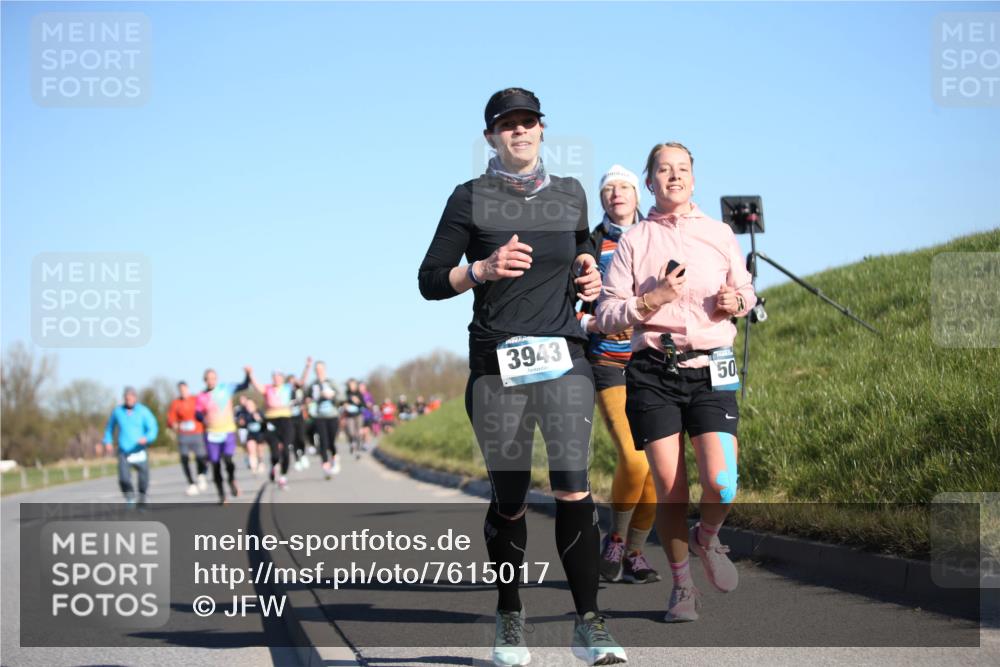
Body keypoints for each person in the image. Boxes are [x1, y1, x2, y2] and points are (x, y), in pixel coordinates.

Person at [418, 87, 626, 666]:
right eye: (506, 125)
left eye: (527, 122)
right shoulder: (469, 198)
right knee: (510, 496)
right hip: (497, 363)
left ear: (542, 129)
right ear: (490, 137)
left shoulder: (569, 193)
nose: (519, 132)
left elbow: (581, 247)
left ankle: (589, 624)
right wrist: (480, 269)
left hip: (565, 356)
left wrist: (586, 267)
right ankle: (510, 614)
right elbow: (430, 278)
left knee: (572, 484)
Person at [595, 142, 756, 622]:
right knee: (670, 488)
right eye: (663, 170)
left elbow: (746, 289)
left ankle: (709, 537)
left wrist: (736, 301)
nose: (674, 176)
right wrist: (652, 300)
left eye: (682, 168)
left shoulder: (720, 233)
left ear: (693, 178)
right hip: (653, 370)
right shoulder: (633, 242)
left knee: (721, 485)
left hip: (712, 365)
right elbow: (606, 312)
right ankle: (683, 586)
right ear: (650, 183)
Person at [576, 165, 660, 585]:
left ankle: (635, 554)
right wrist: (594, 324)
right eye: (608, 189)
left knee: (653, 469)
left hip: (655, 363)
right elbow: (569, 304)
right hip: (608, 362)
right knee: (632, 456)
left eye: (624, 187)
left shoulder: (657, 235)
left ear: (637, 194)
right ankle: (615, 540)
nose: (616, 194)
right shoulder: (590, 245)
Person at [249, 358, 310, 489]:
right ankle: (274, 465)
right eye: (274, 377)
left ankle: (283, 476)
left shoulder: (288, 387)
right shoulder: (268, 389)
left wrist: (307, 367)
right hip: (271, 421)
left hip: (286, 420)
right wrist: (251, 374)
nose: (276, 379)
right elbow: (256, 385)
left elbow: (302, 381)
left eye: (279, 377)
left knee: (287, 450)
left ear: (283, 378)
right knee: (275, 451)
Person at [195, 368, 250, 504]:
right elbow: (197, 413)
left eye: (213, 378)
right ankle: (222, 495)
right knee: (215, 465)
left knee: (228, 460)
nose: (211, 381)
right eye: (208, 379)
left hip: (227, 431)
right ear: (205, 380)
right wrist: (203, 419)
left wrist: (248, 375)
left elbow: (244, 385)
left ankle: (231, 479)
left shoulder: (226, 388)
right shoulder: (201, 396)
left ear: (217, 379)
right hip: (212, 434)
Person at [103, 386, 158, 508]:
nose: (129, 400)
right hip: (124, 451)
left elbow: (153, 427)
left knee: (144, 477)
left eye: (131, 398)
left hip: (139, 450)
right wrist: (108, 441)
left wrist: (147, 438)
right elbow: (109, 428)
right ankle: (130, 497)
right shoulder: (118, 412)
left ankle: (142, 496)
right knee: (123, 478)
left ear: (135, 398)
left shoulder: (143, 411)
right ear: (124, 398)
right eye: (127, 398)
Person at [167, 381, 208, 496]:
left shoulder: (195, 400)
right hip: (183, 435)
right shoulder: (175, 403)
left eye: (184, 389)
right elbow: (170, 418)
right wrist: (173, 424)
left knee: (201, 457)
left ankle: (201, 475)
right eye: (181, 390)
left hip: (197, 433)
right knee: (184, 459)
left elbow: (203, 412)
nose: (183, 392)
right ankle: (191, 483)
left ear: (188, 389)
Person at [308, 359, 342, 478]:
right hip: (319, 416)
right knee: (323, 441)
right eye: (317, 369)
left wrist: (332, 396)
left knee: (331, 441)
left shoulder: (331, 382)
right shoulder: (313, 385)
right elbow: (307, 398)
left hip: (332, 415)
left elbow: (341, 397)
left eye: (321, 369)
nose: (319, 371)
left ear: (324, 370)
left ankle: (334, 459)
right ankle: (325, 465)